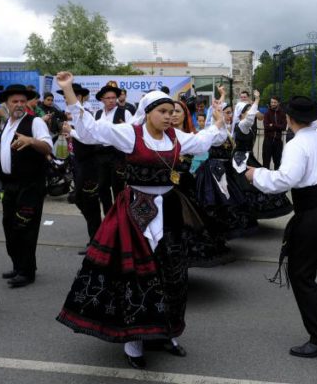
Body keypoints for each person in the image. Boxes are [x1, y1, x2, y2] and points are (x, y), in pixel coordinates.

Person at [54, 71, 227, 369]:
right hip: (135, 209)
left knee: (172, 274)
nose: (169, 117)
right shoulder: (129, 134)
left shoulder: (176, 137)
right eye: (162, 112)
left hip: (170, 209)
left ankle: (167, 333)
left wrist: (220, 119)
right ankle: (134, 343)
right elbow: (91, 129)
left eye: (172, 112)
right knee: (136, 275)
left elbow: (204, 140)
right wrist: (68, 90)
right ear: (147, 113)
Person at [245, 96, 317, 358]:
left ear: (288, 119)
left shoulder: (297, 144)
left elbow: (284, 180)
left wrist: (254, 174)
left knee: (301, 274)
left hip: (314, 213)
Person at [0, 84, 53, 288]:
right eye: (14, 101)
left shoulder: (35, 122)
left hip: (30, 185)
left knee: (25, 226)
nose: (19, 105)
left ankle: (27, 271)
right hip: (10, 185)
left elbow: (47, 147)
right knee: (9, 226)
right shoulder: (8, 122)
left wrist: (31, 141)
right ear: (6, 104)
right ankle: (18, 266)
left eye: (22, 101)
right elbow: (3, 145)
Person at [171, 99, 235, 268]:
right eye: (170, 111)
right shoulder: (162, 135)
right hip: (165, 187)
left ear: (185, 114)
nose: (173, 115)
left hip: (185, 185)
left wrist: (218, 119)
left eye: (178, 111)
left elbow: (217, 139)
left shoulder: (192, 136)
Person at [60, 83, 102, 254]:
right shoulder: (70, 117)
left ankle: (97, 241)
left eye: (74, 97)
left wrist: (71, 131)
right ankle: (96, 238)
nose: (70, 100)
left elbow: (90, 140)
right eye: (67, 97)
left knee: (89, 202)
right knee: (80, 199)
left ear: (82, 98)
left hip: (89, 166)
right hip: (77, 164)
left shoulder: (86, 116)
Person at [94, 82, 132, 215]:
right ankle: (108, 215)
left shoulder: (125, 112)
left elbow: (132, 134)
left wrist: (125, 128)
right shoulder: (97, 114)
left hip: (117, 155)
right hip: (101, 155)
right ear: (102, 100)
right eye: (108, 98)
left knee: (118, 188)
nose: (111, 100)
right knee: (103, 187)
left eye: (113, 97)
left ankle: (120, 217)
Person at [262, 95, 286, 169]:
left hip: (278, 141)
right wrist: (277, 126)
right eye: (272, 102)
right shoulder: (267, 113)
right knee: (266, 162)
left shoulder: (282, 114)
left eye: (275, 102)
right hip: (268, 141)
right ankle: (265, 179)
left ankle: (277, 179)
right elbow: (266, 126)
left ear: (278, 103)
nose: (273, 104)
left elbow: (284, 127)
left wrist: (272, 125)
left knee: (277, 163)